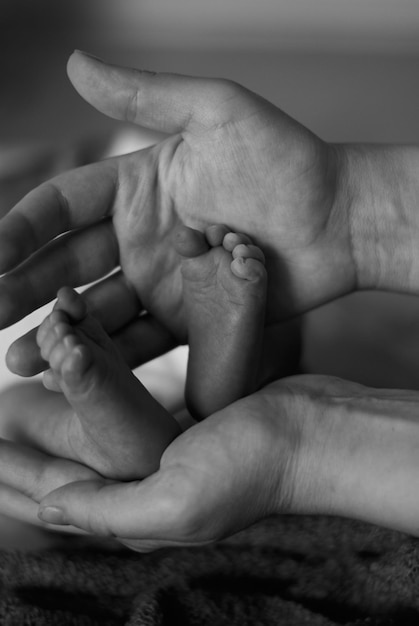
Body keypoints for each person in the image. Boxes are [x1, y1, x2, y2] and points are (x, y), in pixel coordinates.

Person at [0, 50, 419, 549]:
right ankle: (215, 376)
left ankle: (114, 425)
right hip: (124, 298)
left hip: (114, 301)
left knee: (23, 419)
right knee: (24, 410)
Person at [34, 223, 271, 480]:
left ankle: (93, 440)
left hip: (148, 333)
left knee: (14, 410)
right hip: (156, 337)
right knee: (15, 406)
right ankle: (220, 396)